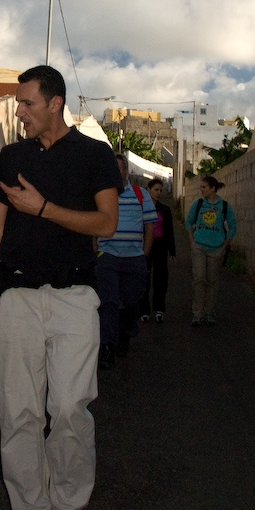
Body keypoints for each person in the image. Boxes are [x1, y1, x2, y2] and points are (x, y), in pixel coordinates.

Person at [0, 66, 120, 510]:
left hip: (75, 297)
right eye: (19, 104)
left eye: (27, 103)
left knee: (69, 407)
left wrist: (43, 209)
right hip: (16, 296)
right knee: (18, 410)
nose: (19, 111)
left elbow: (107, 222)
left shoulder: (94, 154)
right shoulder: (11, 156)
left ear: (55, 103)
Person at [96, 154, 157, 368]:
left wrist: (144, 254)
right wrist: (96, 253)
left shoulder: (141, 195)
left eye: (120, 168)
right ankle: (107, 346)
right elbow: (93, 224)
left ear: (126, 171)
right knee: (108, 302)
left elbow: (150, 227)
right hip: (108, 257)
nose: (116, 172)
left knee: (132, 303)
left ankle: (125, 334)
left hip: (134, 258)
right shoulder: (102, 195)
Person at [185, 174, 236, 326]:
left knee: (212, 281)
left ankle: (209, 312)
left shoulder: (224, 206)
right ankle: (197, 312)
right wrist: (192, 242)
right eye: (201, 187)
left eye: (204, 187)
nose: (201, 190)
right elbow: (189, 222)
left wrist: (224, 246)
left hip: (216, 248)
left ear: (213, 188)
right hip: (199, 246)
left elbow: (233, 226)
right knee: (199, 278)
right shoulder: (198, 203)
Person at [143, 178, 176, 324]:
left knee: (161, 279)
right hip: (145, 246)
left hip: (160, 247)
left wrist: (172, 250)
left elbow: (169, 230)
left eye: (161, 190)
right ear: (149, 190)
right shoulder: (142, 208)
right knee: (144, 278)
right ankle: (144, 310)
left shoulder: (165, 209)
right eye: (156, 190)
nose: (158, 193)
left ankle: (159, 309)